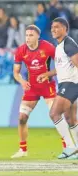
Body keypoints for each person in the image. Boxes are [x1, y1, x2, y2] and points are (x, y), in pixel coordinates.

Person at [11, 25, 58, 158]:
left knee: (56, 115)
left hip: (47, 86)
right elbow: (16, 72)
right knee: (21, 118)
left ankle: (68, 148)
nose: (28, 38)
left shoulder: (48, 47)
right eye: (26, 35)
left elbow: (61, 65)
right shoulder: (21, 50)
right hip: (32, 88)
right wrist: (22, 81)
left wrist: (48, 74)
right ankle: (23, 150)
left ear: (38, 36)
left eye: (31, 35)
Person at [49, 17, 78, 159]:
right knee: (70, 118)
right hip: (67, 83)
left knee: (54, 114)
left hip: (71, 83)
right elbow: (62, 67)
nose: (53, 29)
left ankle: (70, 146)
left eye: (57, 27)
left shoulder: (68, 44)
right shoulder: (60, 46)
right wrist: (47, 74)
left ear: (65, 29)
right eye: (52, 27)